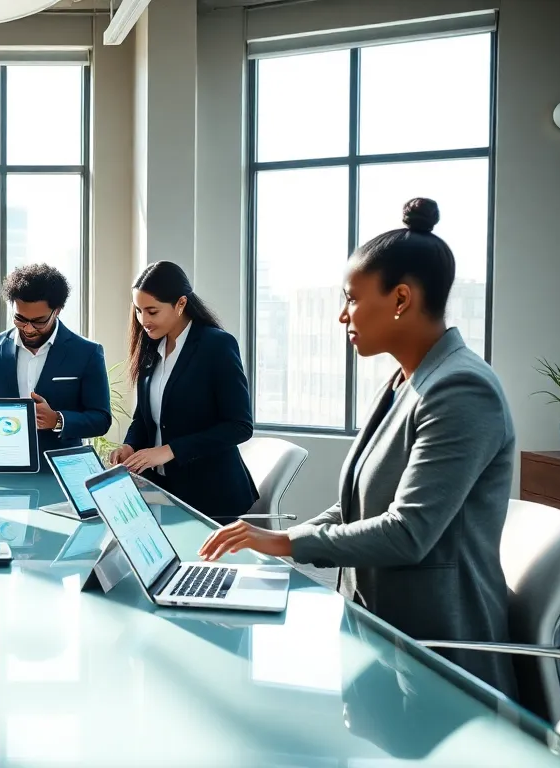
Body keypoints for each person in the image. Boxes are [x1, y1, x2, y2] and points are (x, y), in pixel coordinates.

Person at [199, 198, 517, 697]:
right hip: (379, 625)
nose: (342, 315)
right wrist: (276, 538)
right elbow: (353, 507)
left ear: (401, 299)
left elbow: (409, 533)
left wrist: (286, 544)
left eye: (351, 298)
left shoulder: (461, 391)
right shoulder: (406, 381)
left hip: (435, 650)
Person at [110, 261, 257, 520]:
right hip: (163, 492)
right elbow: (144, 418)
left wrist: (169, 450)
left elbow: (239, 426)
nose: (143, 320)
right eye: (138, 311)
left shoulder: (217, 346)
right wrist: (130, 446)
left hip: (211, 496)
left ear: (180, 304)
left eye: (152, 311)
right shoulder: (150, 348)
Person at [0, 263, 112, 456]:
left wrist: (57, 420)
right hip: (3, 463)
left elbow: (100, 419)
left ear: (57, 310)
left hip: (59, 468)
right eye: (20, 319)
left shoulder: (87, 352)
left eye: (39, 321)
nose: (29, 329)